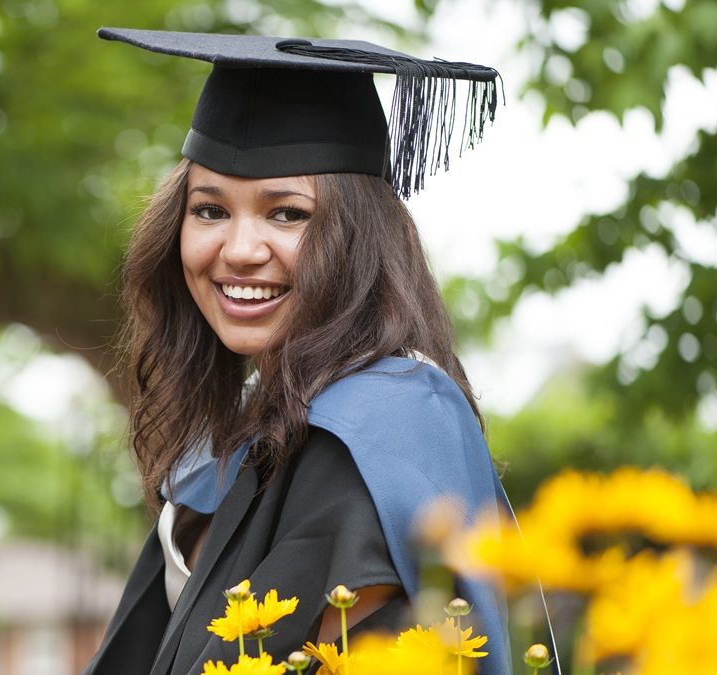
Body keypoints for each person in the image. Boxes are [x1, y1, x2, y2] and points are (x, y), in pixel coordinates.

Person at [82, 28, 557, 675]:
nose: (241, 249)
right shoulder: (245, 446)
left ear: (357, 237)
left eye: (287, 214)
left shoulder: (381, 427)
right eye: (210, 210)